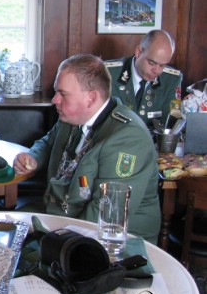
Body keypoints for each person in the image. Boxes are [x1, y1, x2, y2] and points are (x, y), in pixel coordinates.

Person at [13, 54, 161, 243]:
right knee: (1, 231)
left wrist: (51, 240)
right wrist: (33, 157)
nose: (55, 100)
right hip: (62, 216)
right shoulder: (72, 117)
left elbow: (105, 214)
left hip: (114, 241)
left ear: (91, 98)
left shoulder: (128, 138)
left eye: (63, 94)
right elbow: (49, 142)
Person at [105, 30, 182, 129]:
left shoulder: (172, 79)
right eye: (151, 63)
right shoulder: (107, 73)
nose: (156, 71)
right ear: (138, 52)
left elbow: (173, 121)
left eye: (162, 65)